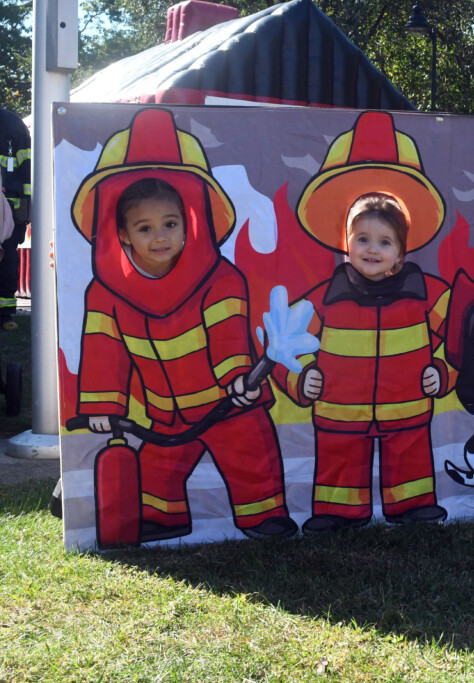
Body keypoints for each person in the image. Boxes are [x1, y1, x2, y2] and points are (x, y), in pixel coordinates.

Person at [74, 109, 297, 543]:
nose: (160, 236)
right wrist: (104, 406)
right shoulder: (105, 294)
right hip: (165, 411)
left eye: (171, 224)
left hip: (228, 405)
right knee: (158, 468)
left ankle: (263, 516)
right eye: (145, 227)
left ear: (191, 221)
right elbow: (104, 351)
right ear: (122, 235)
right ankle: (165, 515)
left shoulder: (220, 278)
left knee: (250, 458)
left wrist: (238, 379)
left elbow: (230, 335)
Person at [275, 193, 451, 534]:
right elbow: (286, 342)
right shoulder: (325, 297)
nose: (372, 249)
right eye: (363, 239)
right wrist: (302, 377)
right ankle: (337, 513)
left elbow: (460, 337)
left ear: (400, 253)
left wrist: (442, 372)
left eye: (385, 242)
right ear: (347, 244)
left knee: (409, 457)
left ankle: (413, 507)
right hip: (339, 411)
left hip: (407, 408)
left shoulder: (427, 294)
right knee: (339, 458)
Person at [0, 77, 31, 330]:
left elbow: (27, 168)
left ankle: (4, 315)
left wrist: (24, 208)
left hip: (8, 209)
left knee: (6, 261)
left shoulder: (11, 125)